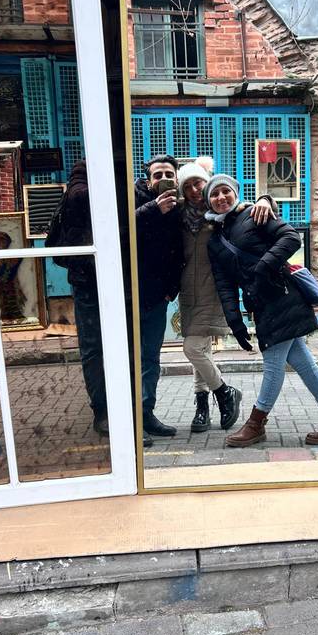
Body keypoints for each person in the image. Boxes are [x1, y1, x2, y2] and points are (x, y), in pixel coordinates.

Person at [205, 173, 318, 447]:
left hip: (282, 298)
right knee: (303, 362)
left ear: (235, 192)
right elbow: (224, 283)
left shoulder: (256, 213)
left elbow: (291, 237)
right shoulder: (215, 240)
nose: (221, 197)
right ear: (209, 202)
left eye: (225, 191)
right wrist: (235, 321)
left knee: (272, 364)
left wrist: (264, 265)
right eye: (215, 194)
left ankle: (256, 423)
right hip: (261, 304)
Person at [177, 157, 276, 433]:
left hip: (213, 291)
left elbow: (248, 209)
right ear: (182, 191)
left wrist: (266, 199)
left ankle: (224, 392)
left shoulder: (221, 215)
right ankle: (201, 407)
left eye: (199, 183)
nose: (195, 190)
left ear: (206, 183)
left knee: (192, 349)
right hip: (187, 291)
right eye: (188, 186)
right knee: (202, 350)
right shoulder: (180, 216)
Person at [57, 160, 109, 437]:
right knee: (92, 348)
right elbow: (79, 197)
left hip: (112, 281)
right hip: (86, 280)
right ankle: (101, 410)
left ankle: (122, 406)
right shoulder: (81, 177)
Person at [135, 154, 183, 442]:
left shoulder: (180, 205)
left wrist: (172, 287)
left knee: (150, 358)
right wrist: (154, 208)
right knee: (131, 358)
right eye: (157, 175)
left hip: (158, 297)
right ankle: (132, 420)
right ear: (148, 179)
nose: (163, 179)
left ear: (176, 177)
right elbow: (122, 229)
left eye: (168, 174)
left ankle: (147, 413)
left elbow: (181, 250)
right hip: (130, 296)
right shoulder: (135, 198)